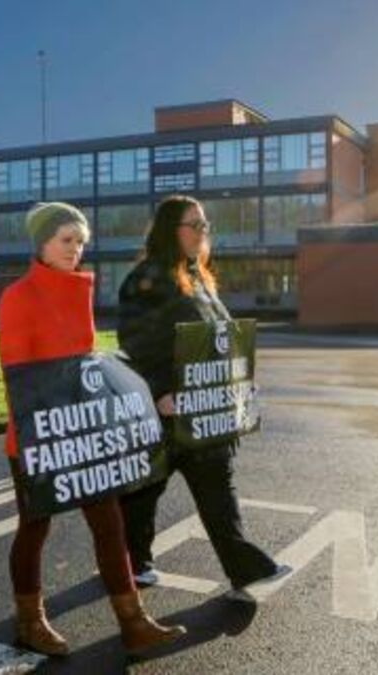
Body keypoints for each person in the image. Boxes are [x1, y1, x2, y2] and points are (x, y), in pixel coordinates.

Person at [0, 202, 186, 658]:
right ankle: (29, 622)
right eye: (66, 240)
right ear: (42, 242)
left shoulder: (78, 288)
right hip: (37, 437)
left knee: (110, 525)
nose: (75, 249)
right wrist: (49, 427)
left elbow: (81, 364)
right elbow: (18, 376)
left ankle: (134, 622)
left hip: (84, 432)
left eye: (80, 242)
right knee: (34, 528)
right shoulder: (18, 296)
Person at [117, 194, 291, 596]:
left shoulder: (198, 277)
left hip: (205, 407)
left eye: (205, 225)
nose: (202, 232)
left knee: (215, 486)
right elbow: (134, 341)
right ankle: (132, 562)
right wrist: (159, 391)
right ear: (170, 230)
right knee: (144, 489)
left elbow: (221, 338)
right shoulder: (146, 279)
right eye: (193, 225)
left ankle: (244, 569)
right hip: (167, 408)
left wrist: (240, 382)